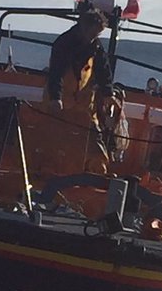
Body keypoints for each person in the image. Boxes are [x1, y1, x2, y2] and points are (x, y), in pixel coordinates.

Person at [43, 10, 113, 173]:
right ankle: (51, 170)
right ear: (83, 27)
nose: (93, 37)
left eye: (97, 34)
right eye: (91, 33)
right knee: (54, 138)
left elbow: (103, 69)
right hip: (60, 101)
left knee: (93, 136)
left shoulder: (96, 46)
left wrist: (108, 92)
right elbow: (56, 73)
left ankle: (97, 170)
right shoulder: (63, 43)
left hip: (83, 102)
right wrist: (56, 97)